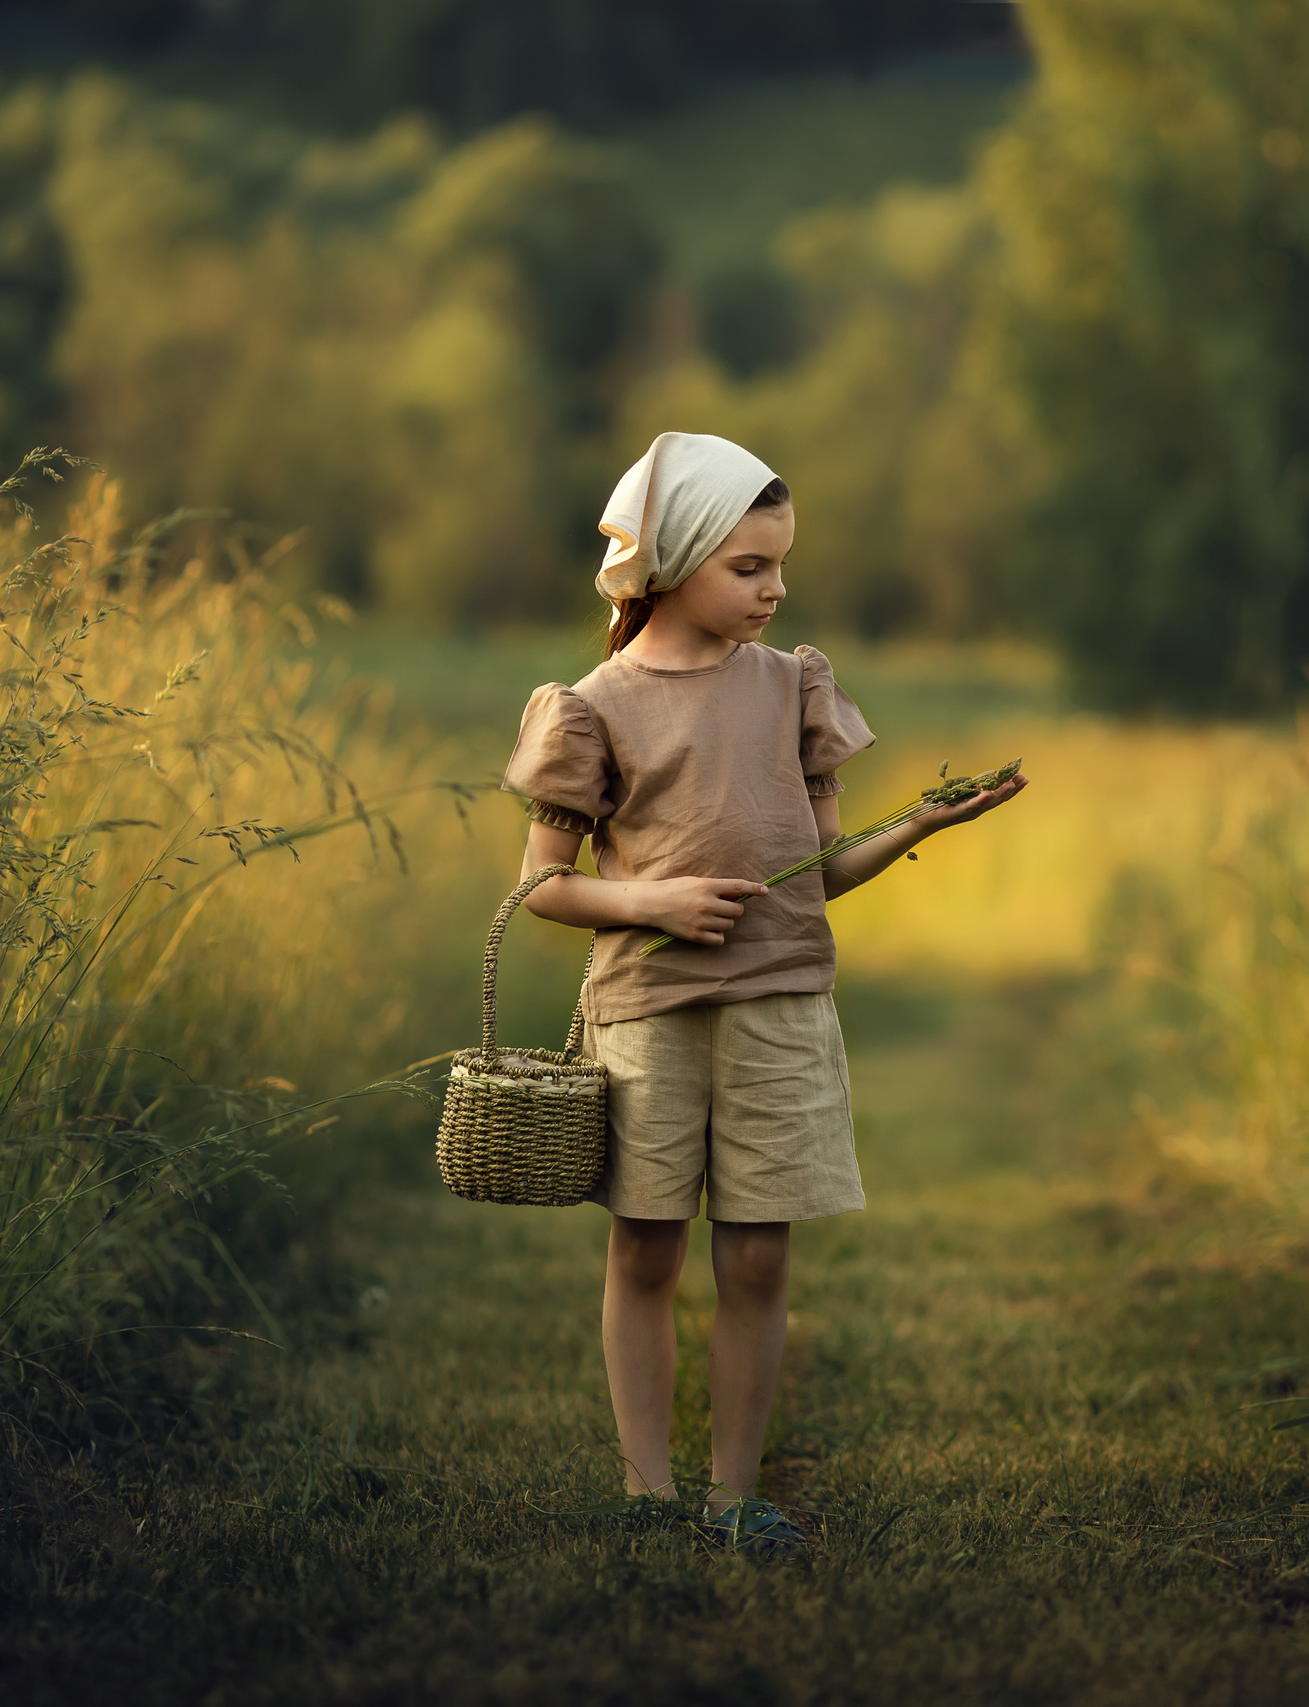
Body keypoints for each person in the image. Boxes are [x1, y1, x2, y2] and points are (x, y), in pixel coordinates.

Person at [499, 431, 1027, 1555]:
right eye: (749, 566)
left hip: (781, 1003)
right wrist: (653, 904)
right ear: (675, 563)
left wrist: (922, 822)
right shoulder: (594, 705)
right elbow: (542, 888)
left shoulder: (792, 687)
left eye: (780, 566)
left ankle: (734, 1494)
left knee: (757, 1254)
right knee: (645, 1247)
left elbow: (823, 872)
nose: (775, 588)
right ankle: (648, 1494)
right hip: (647, 1011)